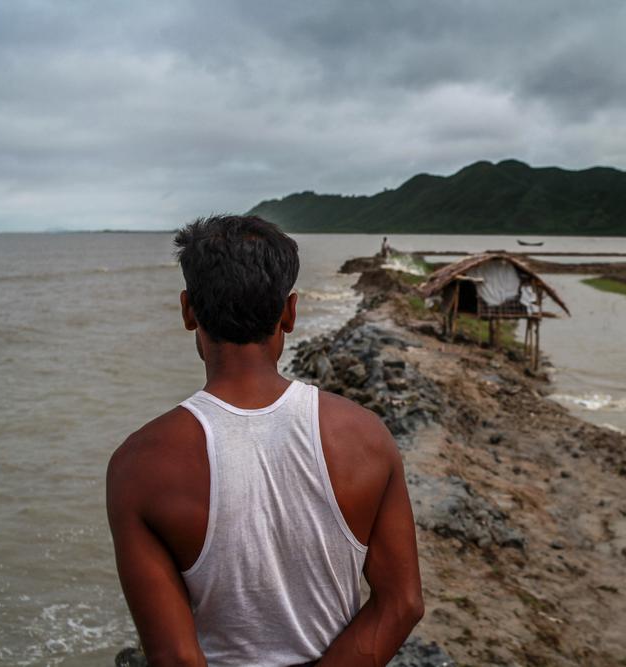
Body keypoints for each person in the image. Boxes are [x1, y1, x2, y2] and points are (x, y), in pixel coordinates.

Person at [106, 215, 423, 666]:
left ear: (188, 310)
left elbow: (176, 657)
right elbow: (402, 603)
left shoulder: (138, 465)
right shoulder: (366, 437)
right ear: (289, 313)